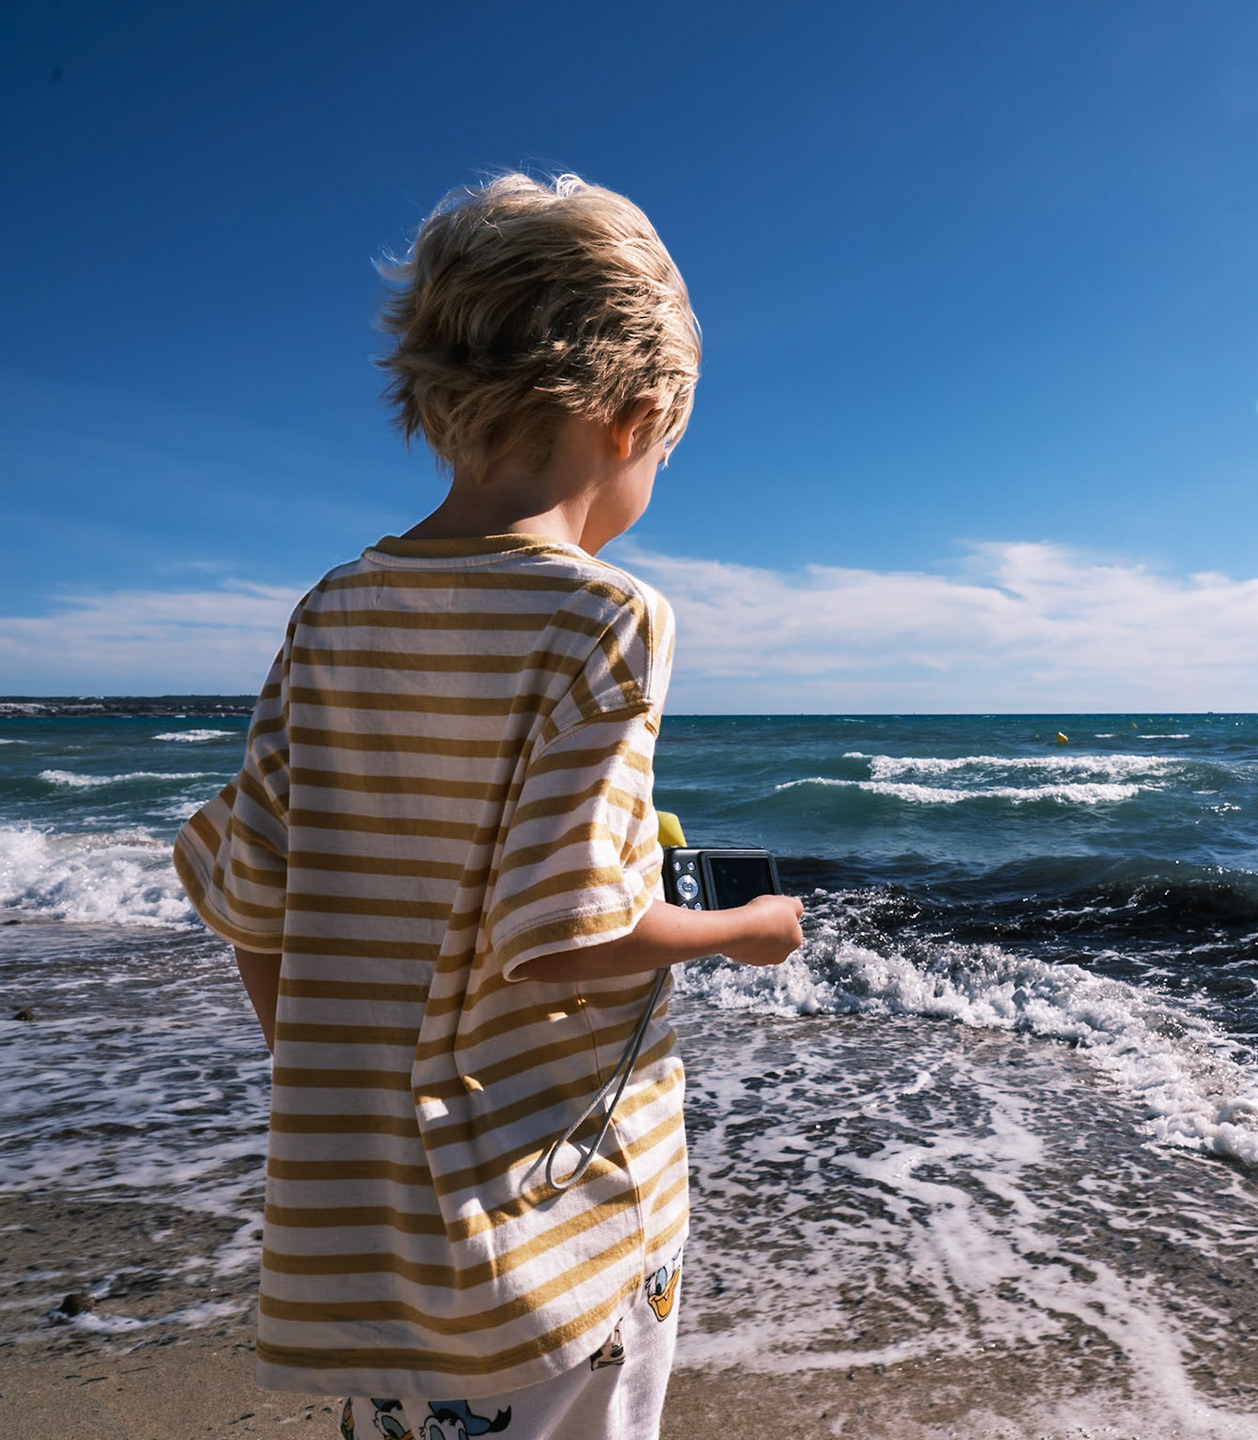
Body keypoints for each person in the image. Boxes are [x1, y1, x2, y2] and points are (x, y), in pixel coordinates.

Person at [172, 172, 804, 1440]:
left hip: (378, 1241)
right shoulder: (608, 617)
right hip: (553, 1232)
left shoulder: (336, 609)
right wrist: (752, 929)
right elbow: (567, 930)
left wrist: (330, 1079)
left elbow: (247, 892)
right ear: (631, 421)